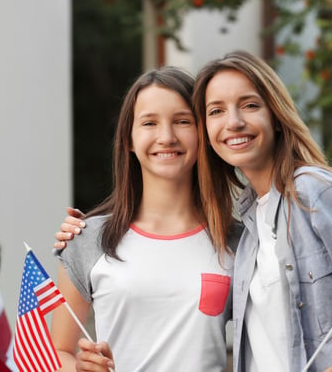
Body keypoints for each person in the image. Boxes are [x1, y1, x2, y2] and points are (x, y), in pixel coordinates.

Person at [192, 50, 332, 371]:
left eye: (250, 105)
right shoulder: (246, 229)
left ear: (276, 115)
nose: (234, 121)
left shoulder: (314, 192)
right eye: (216, 111)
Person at [51, 67, 237, 371]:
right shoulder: (87, 239)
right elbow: (58, 351)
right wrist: (80, 368)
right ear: (129, 140)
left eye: (182, 121)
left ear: (203, 133)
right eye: (149, 123)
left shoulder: (236, 242)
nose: (166, 137)